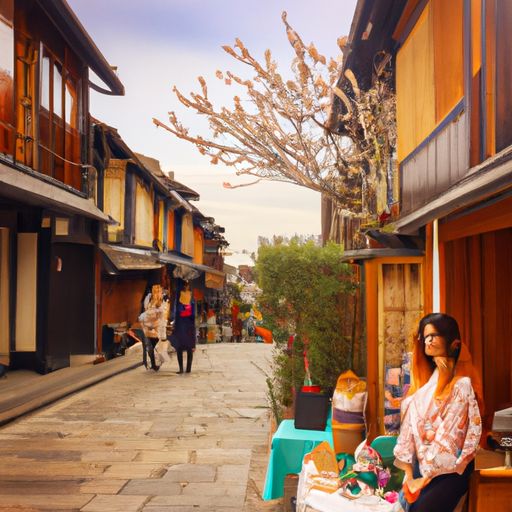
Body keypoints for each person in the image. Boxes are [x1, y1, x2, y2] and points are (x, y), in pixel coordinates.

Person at [393, 313, 483, 512]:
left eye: (435, 335)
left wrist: (424, 479)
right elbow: (409, 433)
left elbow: (453, 437)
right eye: (426, 337)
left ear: (454, 343)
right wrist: (409, 476)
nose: (429, 340)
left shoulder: (462, 385)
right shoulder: (421, 389)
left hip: (448, 473)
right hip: (420, 469)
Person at [139, 284, 165, 371]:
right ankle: (152, 364)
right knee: (149, 345)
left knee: (154, 344)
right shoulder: (148, 298)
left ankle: (153, 363)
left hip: (155, 325)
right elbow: (146, 309)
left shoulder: (159, 299)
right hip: (149, 325)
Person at [172, 281, 196, 374]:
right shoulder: (179, 296)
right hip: (181, 324)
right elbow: (177, 310)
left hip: (188, 325)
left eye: (188, 285)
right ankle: (181, 368)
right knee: (179, 347)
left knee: (189, 347)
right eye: (185, 285)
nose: (186, 286)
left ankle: (188, 368)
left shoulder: (191, 297)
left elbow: (192, 312)